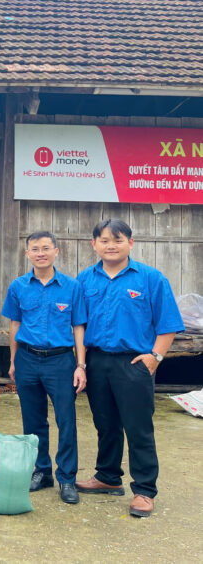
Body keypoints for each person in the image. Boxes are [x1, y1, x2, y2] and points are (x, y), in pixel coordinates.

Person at [75, 219, 184, 518]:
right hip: (97, 361)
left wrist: (155, 357)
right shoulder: (84, 280)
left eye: (118, 240)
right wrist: (81, 362)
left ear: (131, 243)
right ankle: (108, 477)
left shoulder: (150, 278)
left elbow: (168, 324)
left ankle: (144, 490)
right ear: (94, 244)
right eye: (104, 240)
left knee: (138, 428)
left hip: (134, 362)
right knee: (105, 423)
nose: (111, 246)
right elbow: (78, 323)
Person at [2, 231, 87, 505]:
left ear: (56, 251)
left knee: (66, 420)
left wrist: (81, 365)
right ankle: (41, 471)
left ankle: (67, 478)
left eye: (46, 248)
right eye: (35, 249)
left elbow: (78, 327)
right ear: (27, 253)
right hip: (27, 359)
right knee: (33, 420)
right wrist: (13, 361)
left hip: (61, 361)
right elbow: (14, 324)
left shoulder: (72, 287)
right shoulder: (18, 286)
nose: (41, 253)